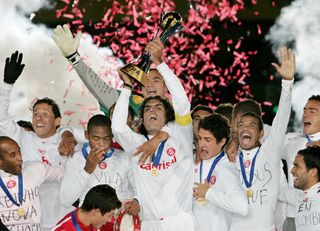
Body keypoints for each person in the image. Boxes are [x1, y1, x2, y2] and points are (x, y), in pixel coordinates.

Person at [111, 37, 196, 230]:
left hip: (180, 222)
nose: (152, 111)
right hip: (149, 224)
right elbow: (117, 128)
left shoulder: (182, 132)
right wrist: (126, 88)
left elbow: (182, 102)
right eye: (148, 108)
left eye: (156, 80)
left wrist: (161, 63)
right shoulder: (137, 143)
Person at [0, 51, 76, 230]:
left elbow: (94, 133)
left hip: (64, 218)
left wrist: (68, 133)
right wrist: (7, 84)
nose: (38, 118)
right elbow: (2, 117)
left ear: (57, 121)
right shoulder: (22, 137)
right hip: (30, 220)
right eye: (35, 114)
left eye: (45, 114)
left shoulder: (69, 140)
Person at [229, 47, 295, 231]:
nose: (245, 129)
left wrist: (287, 83)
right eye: (241, 125)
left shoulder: (270, 151)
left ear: (260, 133)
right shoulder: (228, 157)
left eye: (251, 125)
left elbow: (281, 118)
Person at [52, 24, 169, 117]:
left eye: (156, 80)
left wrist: (158, 61)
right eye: (145, 80)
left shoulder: (179, 111)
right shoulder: (128, 104)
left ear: (166, 87)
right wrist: (74, 57)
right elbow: (97, 86)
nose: (149, 84)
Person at [59, 114, 140, 229]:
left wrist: (137, 200)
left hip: (122, 224)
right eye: (96, 138)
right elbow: (65, 200)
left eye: (106, 138)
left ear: (112, 136)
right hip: (91, 225)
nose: (102, 144)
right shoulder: (75, 159)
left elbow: (140, 188)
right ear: (87, 135)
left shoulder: (124, 157)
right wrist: (87, 170)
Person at [193, 113, 248, 230]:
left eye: (207, 140)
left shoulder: (225, 169)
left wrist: (208, 193)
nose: (201, 144)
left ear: (222, 141)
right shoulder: (194, 160)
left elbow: (242, 207)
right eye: (200, 138)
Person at [0, 136, 64, 230]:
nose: (20, 158)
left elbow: (63, 173)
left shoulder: (35, 169)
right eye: (13, 155)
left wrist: (64, 154)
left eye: (19, 152)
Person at [281, 94, 320, 231]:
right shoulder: (291, 140)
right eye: (305, 110)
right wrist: (233, 140)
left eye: (312, 111)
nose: (305, 115)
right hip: (292, 215)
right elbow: (266, 146)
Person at [279, 146, 320, 231]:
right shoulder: (299, 195)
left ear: (313, 172)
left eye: (297, 166)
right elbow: (279, 191)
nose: (292, 171)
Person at [53, 184, 122, 231]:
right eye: (109, 215)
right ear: (96, 212)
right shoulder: (66, 228)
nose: (110, 220)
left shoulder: (88, 219)